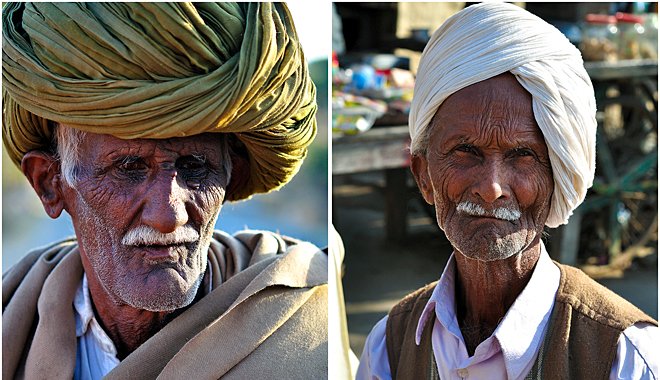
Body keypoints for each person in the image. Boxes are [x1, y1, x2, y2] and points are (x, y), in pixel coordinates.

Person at [2, 3, 327, 379]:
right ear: (50, 184)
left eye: (196, 167)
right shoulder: (11, 324)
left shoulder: (308, 314)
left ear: (231, 175)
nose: (169, 216)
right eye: (128, 168)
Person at [357, 3, 658, 380]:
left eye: (523, 156)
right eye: (465, 152)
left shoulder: (626, 359)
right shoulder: (389, 346)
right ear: (423, 175)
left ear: (558, 176)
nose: (491, 188)